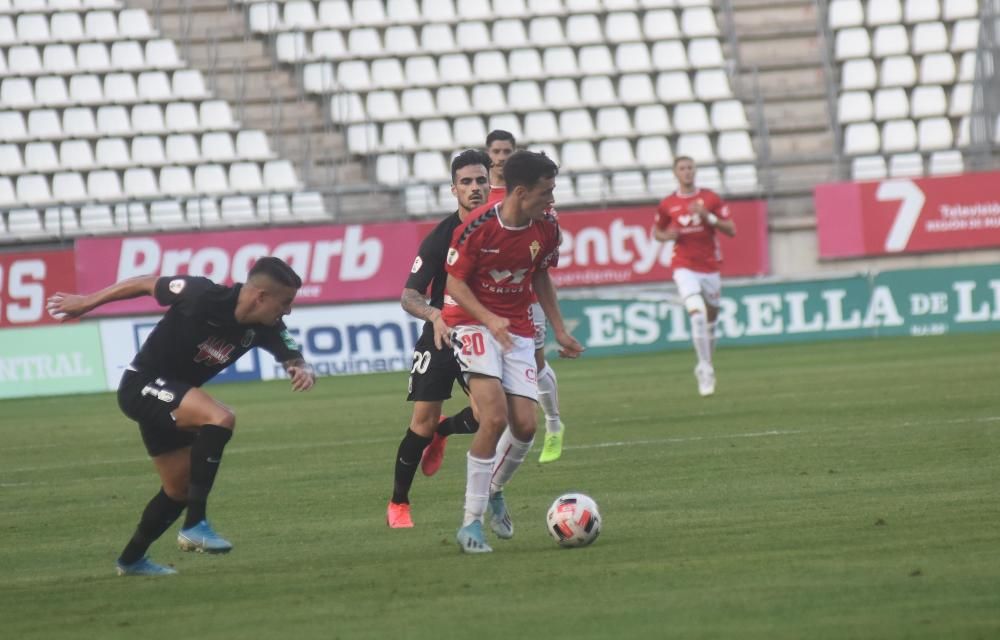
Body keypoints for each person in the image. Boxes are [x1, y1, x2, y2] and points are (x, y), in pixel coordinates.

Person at [46, 257, 316, 576]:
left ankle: (131, 560)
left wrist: (300, 367)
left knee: (179, 490)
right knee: (220, 417)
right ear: (260, 297)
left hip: (174, 398)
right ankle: (195, 525)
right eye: (285, 302)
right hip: (141, 385)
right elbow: (146, 283)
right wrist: (85, 303)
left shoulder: (265, 327)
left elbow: (292, 353)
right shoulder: (202, 294)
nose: (287, 311)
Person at [444, 150, 584, 553]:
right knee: (493, 416)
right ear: (521, 192)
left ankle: (494, 490)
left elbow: (540, 276)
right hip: (473, 323)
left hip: (517, 328)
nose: (552, 200)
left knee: (524, 426)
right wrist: (488, 318)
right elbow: (455, 285)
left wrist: (559, 328)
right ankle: (470, 524)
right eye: (546, 192)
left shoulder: (548, 230)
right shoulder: (477, 229)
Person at [386, 149, 490, 529]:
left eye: (481, 180)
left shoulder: (501, 228)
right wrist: (435, 316)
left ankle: (444, 432)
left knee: (490, 417)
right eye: (466, 182)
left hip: (479, 334)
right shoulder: (440, 237)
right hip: (442, 335)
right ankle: (398, 503)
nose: (475, 188)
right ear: (454, 189)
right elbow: (408, 294)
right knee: (420, 424)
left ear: (490, 184)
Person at [486, 129, 566, 464]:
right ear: (488, 154)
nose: (502, 157)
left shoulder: (536, 200)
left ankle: (553, 422)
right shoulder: (479, 195)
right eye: (496, 151)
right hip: (486, 303)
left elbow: (544, 257)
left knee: (536, 362)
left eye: (507, 151)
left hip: (523, 298)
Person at [652, 156, 736, 397]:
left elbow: (731, 230)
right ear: (675, 173)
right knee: (697, 315)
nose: (687, 172)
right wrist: (670, 236)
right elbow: (658, 232)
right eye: (682, 169)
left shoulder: (710, 198)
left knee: (711, 320)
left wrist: (707, 216)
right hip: (684, 266)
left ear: (695, 171)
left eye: (690, 168)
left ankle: (707, 362)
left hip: (709, 267)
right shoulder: (668, 203)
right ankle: (705, 369)